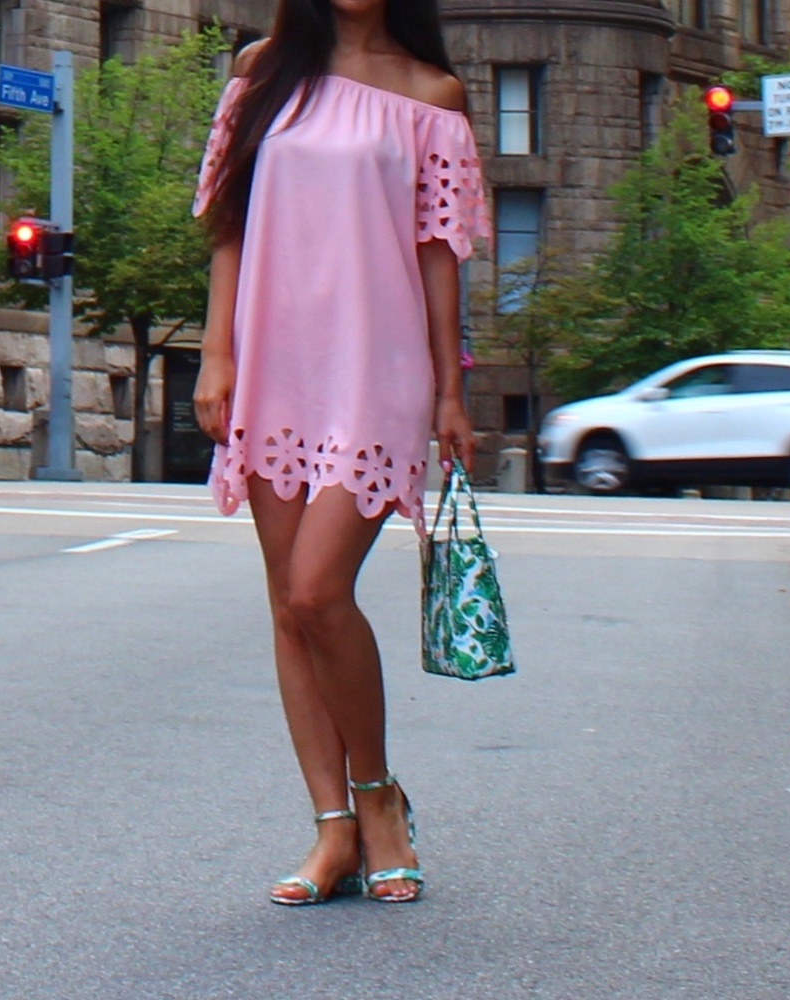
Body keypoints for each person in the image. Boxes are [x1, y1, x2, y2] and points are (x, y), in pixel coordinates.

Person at [191, 0, 490, 905]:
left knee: (321, 590)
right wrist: (216, 353)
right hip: (273, 358)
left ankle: (379, 800)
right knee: (289, 606)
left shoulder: (432, 92)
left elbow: (440, 252)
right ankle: (333, 830)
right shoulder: (261, 72)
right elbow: (229, 223)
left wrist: (448, 388)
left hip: (379, 365)